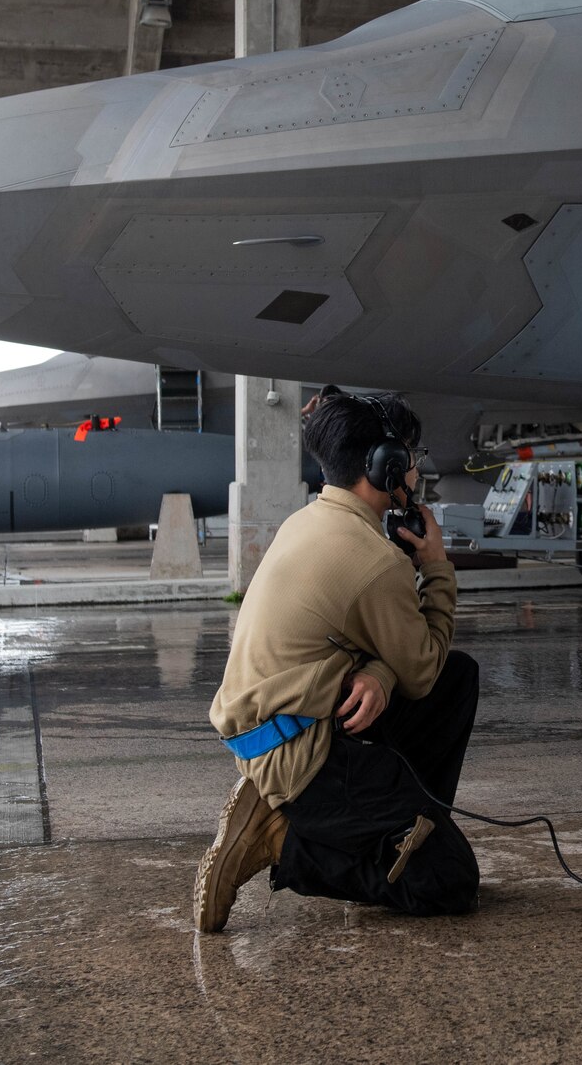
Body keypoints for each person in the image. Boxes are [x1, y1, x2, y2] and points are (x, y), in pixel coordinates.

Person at [195, 387, 478, 932]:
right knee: (451, 881)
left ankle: (411, 831)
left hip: (280, 726)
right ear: (385, 466)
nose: (416, 472)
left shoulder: (308, 520)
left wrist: (377, 670)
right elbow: (420, 671)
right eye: (410, 459)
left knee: (459, 676)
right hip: (301, 757)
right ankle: (282, 841)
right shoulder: (374, 561)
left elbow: (380, 646)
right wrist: (437, 565)